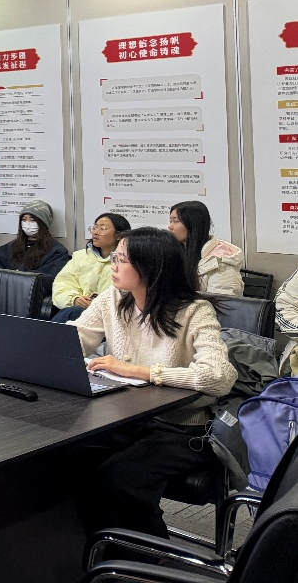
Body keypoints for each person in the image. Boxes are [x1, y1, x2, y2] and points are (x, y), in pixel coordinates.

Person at [70, 227, 236, 538]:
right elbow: (73, 341)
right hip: (127, 418)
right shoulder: (112, 299)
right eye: (115, 258)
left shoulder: (194, 311)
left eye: (122, 260)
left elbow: (218, 377)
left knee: (118, 478)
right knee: (68, 460)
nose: (113, 266)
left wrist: (143, 371)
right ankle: (91, 546)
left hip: (183, 428)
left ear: (151, 267)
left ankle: (151, 553)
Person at [51, 212, 131, 322]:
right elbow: (62, 284)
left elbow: (127, 294)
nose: (95, 233)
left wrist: (97, 304)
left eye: (102, 229)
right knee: (74, 312)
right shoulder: (80, 256)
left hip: (110, 317)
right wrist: (75, 299)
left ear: (119, 236)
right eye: (94, 228)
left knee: (74, 314)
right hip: (78, 310)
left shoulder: (127, 262)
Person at [169, 201, 244, 295]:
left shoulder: (220, 262)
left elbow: (222, 301)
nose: (170, 226)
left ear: (194, 224)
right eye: (170, 221)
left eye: (176, 221)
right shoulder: (177, 253)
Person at [0, 200, 70, 280]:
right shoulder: (11, 247)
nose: (27, 224)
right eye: (24, 220)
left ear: (43, 223)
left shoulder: (56, 251)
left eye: (33, 220)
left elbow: (47, 278)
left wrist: (17, 277)